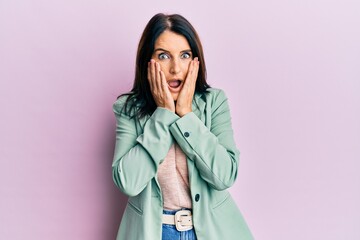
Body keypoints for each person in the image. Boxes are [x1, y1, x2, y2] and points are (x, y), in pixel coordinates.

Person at [111, 13, 254, 240]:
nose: (176, 69)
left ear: (195, 60)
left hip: (211, 231)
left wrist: (186, 114)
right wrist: (164, 114)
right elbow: (128, 182)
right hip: (155, 231)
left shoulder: (214, 102)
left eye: (185, 55)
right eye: (164, 56)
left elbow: (225, 176)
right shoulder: (127, 108)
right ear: (147, 61)